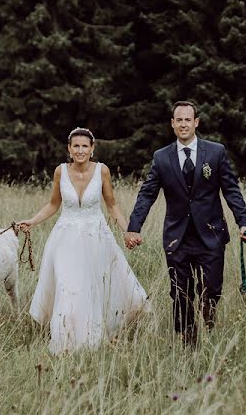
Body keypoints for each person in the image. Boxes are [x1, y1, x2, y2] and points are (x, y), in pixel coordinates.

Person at [125, 101, 246, 346]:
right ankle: (188, 341)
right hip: (177, 237)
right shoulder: (161, 158)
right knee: (180, 293)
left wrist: (243, 223)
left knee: (212, 289)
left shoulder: (215, 152)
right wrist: (134, 226)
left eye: (187, 120)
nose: (183, 124)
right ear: (172, 124)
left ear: (196, 123)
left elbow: (231, 191)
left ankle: (209, 318)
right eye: (178, 120)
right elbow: (147, 194)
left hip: (211, 234)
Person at [18, 127, 150, 354]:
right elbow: (53, 204)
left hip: (96, 238)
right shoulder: (60, 171)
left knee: (91, 288)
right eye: (76, 146)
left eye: (85, 146)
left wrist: (128, 231)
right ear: (69, 149)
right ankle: (65, 343)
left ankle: (92, 340)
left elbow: (111, 205)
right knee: (68, 287)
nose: (80, 150)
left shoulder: (103, 171)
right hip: (65, 239)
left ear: (92, 149)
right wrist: (32, 221)